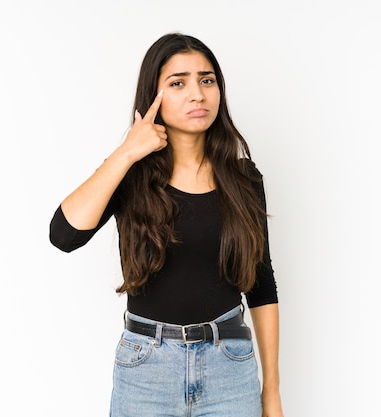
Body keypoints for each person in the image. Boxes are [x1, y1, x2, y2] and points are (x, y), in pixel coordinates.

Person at [49, 32, 284, 417]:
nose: (198, 94)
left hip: (230, 367)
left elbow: (261, 283)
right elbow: (63, 235)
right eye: (178, 83)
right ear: (153, 97)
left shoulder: (244, 178)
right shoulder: (130, 176)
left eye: (207, 80)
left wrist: (271, 391)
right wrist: (126, 152)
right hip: (146, 371)